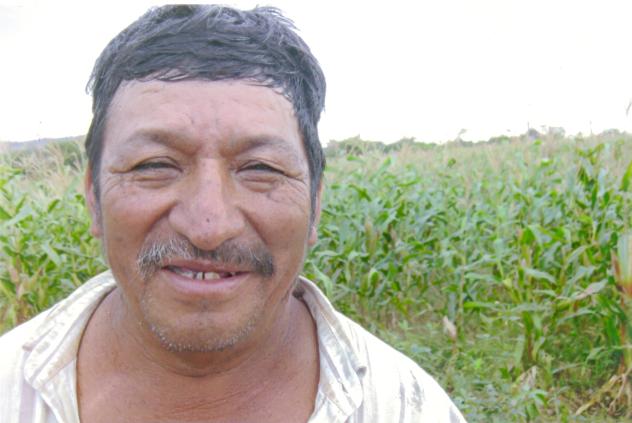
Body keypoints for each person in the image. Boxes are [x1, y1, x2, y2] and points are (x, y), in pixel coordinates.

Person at [0, 5, 466, 422]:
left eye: (261, 169)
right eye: (155, 166)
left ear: (315, 204)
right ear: (93, 196)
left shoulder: (407, 409)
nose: (209, 226)